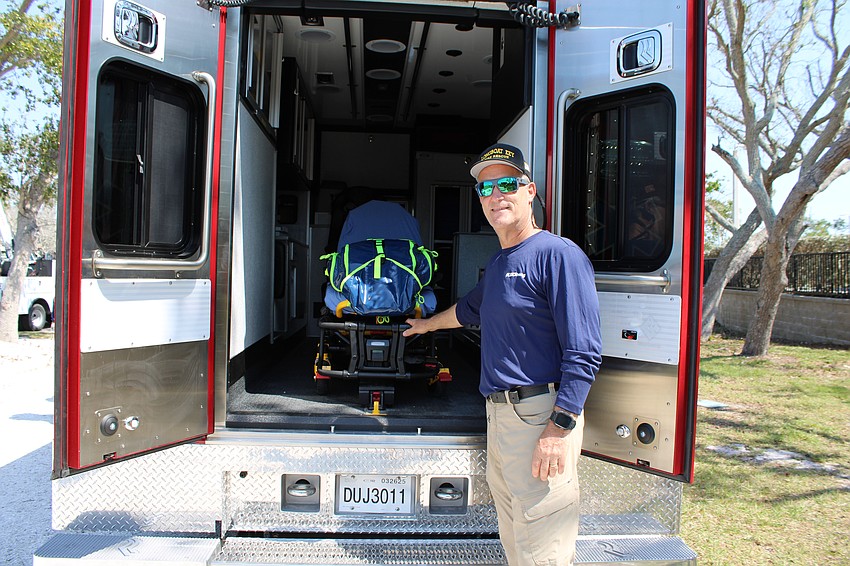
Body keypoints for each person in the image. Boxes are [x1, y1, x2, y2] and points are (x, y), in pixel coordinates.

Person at [403, 143, 602, 566]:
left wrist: (557, 431)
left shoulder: (557, 255)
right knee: (514, 534)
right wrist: (425, 325)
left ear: (530, 191)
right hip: (501, 416)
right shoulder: (499, 264)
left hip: (540, 416)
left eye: (507, 184)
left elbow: (584, 353)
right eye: (485, 188)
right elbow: (468, 310)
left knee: (542, 544)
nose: (496, 195)